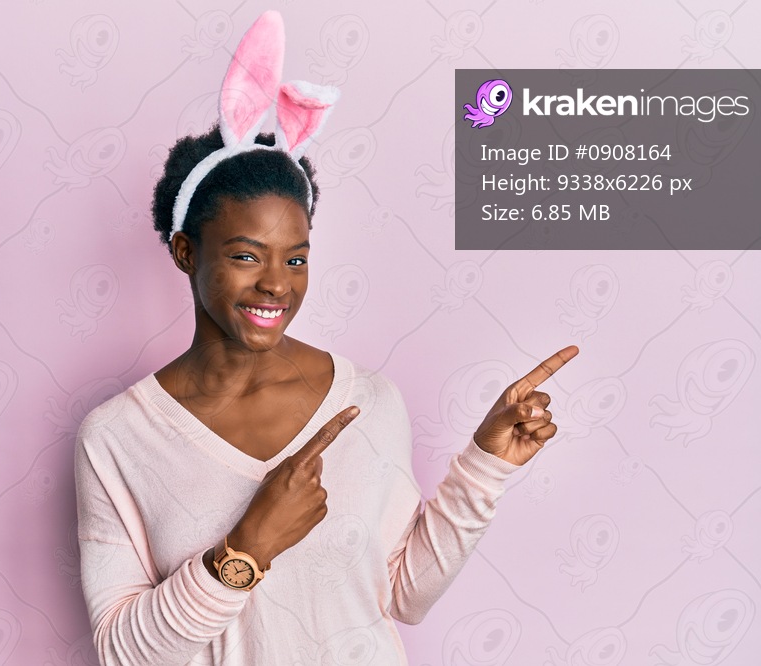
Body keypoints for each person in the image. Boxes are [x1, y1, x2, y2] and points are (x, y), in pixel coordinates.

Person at [74, 11, 578, 665]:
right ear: (183, 251)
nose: (276, 286)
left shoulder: (368, 398)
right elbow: (122, 652)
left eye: (296, 258)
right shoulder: (116, 438)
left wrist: (485, 464)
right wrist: (248, 547)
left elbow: (403, 595)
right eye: (247, 256)